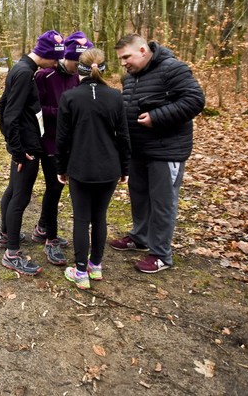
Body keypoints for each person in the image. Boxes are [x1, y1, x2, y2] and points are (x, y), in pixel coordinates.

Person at [109, 34, 205, 273]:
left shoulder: (173, 69)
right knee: (139, 196)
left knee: (163, 203)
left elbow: (194, 100)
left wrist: (157, 117)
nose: (123, 63)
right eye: (121, 59)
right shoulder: (130, 78)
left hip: (165, 150)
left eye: (126, 57)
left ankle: (161, 254)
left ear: (143, 50)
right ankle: (139, 238)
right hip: (138, 150)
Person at [55, 48, 130, 289]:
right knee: (100, 217)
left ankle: (80, 271)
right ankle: (95, 266)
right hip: (109, 168)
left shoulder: (70, 97)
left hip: (80, 167)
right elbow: (124, 136)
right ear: (104, 69)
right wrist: (125, 168)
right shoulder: (116, 96)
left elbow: (62, 139)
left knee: (82, 218)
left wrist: (61, 167)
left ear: (80, 70)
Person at [0, 33, 61, 275]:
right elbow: (10, 114)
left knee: (13, 191)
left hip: (25, 143)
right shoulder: (24, 73)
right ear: (45, 55)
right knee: (20, 197)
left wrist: (13, 147)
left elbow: (2, 105)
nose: (56, 64)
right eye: (55, 59)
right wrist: (18, 152)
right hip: (28, 147)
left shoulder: (21, 68)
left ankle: (5, 236)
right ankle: (12, 253)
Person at [30, 30, 94, 265]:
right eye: (76, 62)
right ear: (65, 56)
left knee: (58, 188)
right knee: (54, 188)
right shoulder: (44, 76)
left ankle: (42, 227)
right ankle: (51, 239)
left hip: (71, 144)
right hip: (49, 141)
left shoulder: (81, 78)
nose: (79, 66)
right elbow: (34, 108)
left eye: (83, 63)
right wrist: (61, 112)